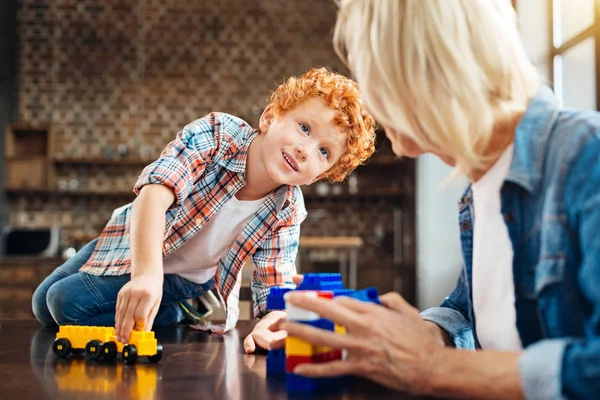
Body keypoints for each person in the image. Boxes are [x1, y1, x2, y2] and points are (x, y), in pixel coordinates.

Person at [281, 1, 600, 399]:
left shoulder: (588, 155)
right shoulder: (481, 189)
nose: (371, 101)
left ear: (421, 73)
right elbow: (469, 314)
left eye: (373, 75)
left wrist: (435, 367)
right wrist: (423, 333)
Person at [32, 67, 377, 353]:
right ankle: (161, 305)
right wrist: (146, 276)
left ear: (323, 175)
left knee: (65, 303)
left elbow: (274, 286)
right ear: (271, 117)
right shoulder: (218, 134)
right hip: (130, 243)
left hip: (183, 279)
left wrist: (271, 326)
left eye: (324, 153)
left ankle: (174, 310)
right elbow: (153, 194)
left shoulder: (285, 209)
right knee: (41, 304)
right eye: (304, 128)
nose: (306, 150)